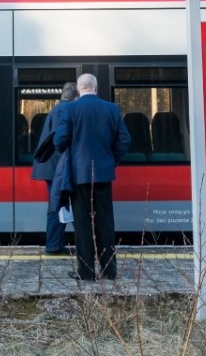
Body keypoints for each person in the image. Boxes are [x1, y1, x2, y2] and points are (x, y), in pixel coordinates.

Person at [54, 74, 131, 281]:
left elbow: (60, 141)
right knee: (105, 222)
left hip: (79, 176)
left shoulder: (70, 109)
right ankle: (109, 271)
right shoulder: (112, 109)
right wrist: (110, 160)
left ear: (79, 89)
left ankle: (86, 272)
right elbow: (125, 140)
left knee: (82, 224)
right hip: (104, 175)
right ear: (95, 87)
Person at [31, 82, 78, 255]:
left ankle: (56, 244)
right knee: (56, 204)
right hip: (55, 166)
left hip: (53, 165)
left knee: (58, 204)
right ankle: (53, 245)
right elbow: (60, 141)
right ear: (76, 96)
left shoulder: (59, 108)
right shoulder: (63, 110)